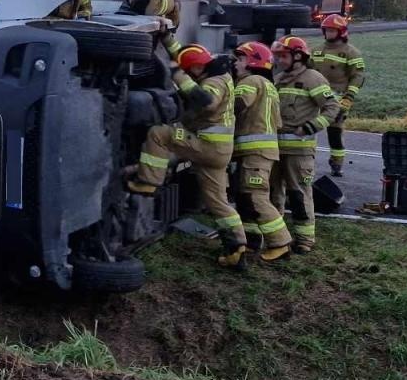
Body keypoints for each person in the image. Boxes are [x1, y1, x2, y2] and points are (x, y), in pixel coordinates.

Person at [127, 41, 246, 267]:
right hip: (218, 152)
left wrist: (177, 75)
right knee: (218, 203)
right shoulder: (222, 73)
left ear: (199, 69)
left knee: (158, 134)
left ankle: (148, 182)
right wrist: (166, 38)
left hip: (207, 146)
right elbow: (187, 57)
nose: (190, 75)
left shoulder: (214, 82)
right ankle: (237, 248)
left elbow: (206, 101)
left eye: (191, 72)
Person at [271, 35, 342, 253]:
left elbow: (332, 108)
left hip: (299, 150)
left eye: (283, 56)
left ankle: (304, 240)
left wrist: (311, 126)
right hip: (275, 149)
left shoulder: (313, 78)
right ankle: (276, 235)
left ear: (299, 56)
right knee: (273, 194)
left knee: (299, 193)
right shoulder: (279, 79)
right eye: (278, 56)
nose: (280, 61)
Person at [230, 40, 292, 263]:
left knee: (256, 197)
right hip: (260, 152)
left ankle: (281, 243)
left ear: (253, 61)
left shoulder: (250, 81)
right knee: (245, 197)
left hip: (255, 151)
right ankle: (251, 241)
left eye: (240, 59)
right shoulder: (269, 86)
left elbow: (237, 104)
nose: (236, 63)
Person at [312, 13, 365, 178]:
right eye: (327, 30)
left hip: (338, 98)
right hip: (314, 97)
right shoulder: (315, 50)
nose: (329, 34)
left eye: (332, 31)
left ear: (341, 32)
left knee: (334, 133)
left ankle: (337, 162)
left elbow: (358, 76)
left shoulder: (351, 53)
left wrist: (348, 97)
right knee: (308, 128)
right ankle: (305, 160)